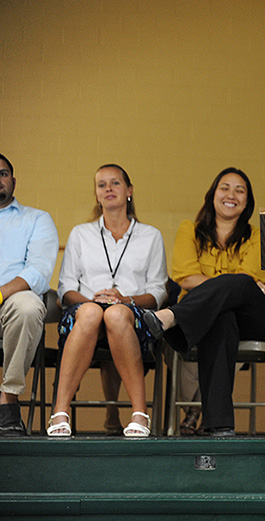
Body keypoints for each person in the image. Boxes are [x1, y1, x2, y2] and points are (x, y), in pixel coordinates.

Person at [143, 167, 265, 437]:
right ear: (213, 195)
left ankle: (171, 317)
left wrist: (224, 282)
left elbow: (244, 279)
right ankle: (220, 424)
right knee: (222, 315)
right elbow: (185, 277)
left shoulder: (256, 236)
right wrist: (230, 284)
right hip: (212, 321)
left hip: (256, 320)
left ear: (247, 201)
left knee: (239, 285)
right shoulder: (189, 230)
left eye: (240, 190)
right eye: (225, 188)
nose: (232, 195)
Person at [49, 165, 167, 437]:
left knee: (116, 314)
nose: (109, 189)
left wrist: (126, 299)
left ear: (129, 191)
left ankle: (139, 414)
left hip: (131, 314)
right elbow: (66, 289)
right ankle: (60, 412)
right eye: (102, 185)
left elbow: (158, 292)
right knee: (92, 313)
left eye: (115, 183)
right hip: (84, 314)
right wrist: (92, 300)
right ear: (96, 195)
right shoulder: (81, 234)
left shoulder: (151, 236)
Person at [0, 153, 59, 436]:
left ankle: (8, 401)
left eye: (3, 173)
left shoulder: (36, 219)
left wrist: (1, 294)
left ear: (13, 181)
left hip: (11, 300)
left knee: (28, 307)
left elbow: (39, 270)